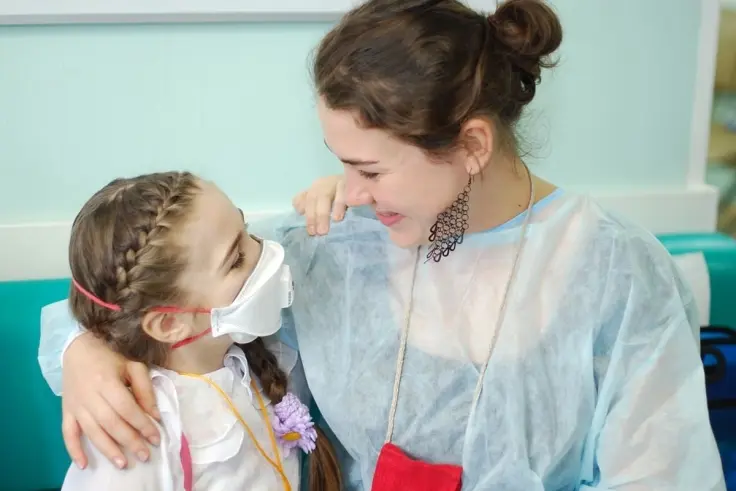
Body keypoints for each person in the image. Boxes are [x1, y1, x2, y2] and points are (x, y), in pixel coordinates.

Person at [38, 0, 726, 489]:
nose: (351, 192)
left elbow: (663, 474)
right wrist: (86, 352)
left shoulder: (618, 274)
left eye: (369, 169)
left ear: (472, 145)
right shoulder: (334, 246)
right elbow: (159, 293)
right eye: (341, 164)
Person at [51, 172, 341, 490]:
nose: (262, 252)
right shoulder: (137, 436)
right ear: (169, 324)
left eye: (247, 230)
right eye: (237, 259)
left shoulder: (265, 352)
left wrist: (343, 196)